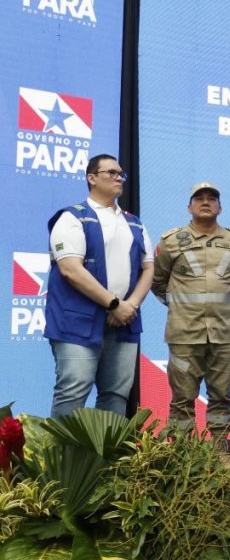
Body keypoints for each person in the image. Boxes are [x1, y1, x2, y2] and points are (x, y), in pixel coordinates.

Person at [46, 154, 154, 417]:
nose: (119, 178)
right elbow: (70, 269)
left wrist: (130, 306)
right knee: (73, 390)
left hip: (123, 323)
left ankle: (106, 458)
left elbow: (149, 267)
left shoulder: (134, 222)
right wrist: (114, 304)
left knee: (116, 395)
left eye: (121, 174)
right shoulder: (72, 217)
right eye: (111, 173)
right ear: (91, 178)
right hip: (77, 323)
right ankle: (63, 459)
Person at [152, 182, 230, 453]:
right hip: (184, 334)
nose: (205, 202)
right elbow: (157, 282)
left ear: (220, 206)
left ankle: (219, 454)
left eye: (212, 198)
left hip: (223, 334)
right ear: (189, 206)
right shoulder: (171, 242)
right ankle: (185, 458)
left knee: (221, 397)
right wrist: (181, 309)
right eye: (199, 198)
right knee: (182, 399)